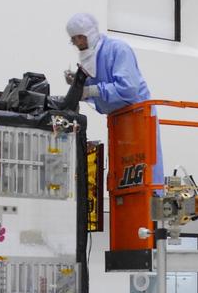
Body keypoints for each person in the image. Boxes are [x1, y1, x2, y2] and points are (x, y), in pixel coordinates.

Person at [65, 12, 163, 186]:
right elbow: (101, 85)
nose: (78, 43)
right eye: (74, 39)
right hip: (119, 120)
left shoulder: (117, 49)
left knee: (144, 176)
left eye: (81, 37)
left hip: (139, 116)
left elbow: (128, 89)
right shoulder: (95, 55)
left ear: (90, 33)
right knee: (124, 178)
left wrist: (90, 90)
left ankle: (153, 196)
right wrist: (79, 82)